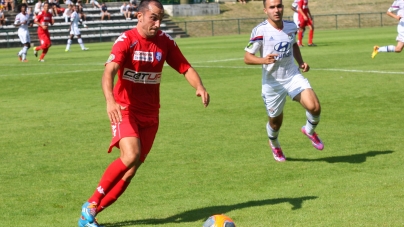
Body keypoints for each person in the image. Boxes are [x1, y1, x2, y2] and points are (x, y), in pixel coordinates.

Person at [76, 0, 210, 226]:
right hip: (125, 109)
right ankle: (90, 202)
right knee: (130, 155)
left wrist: (199, 86)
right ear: (139, 16)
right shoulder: (126, 40)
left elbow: (185, 67)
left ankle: (89, 216)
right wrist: (110, 101)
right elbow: (109, 71)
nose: (157, 24)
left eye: (161, 19)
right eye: (153, 18)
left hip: (151, 115)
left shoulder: (165, 42)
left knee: (130, 172)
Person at [244, 0, 323, 162]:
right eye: (272, 7)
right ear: (265, 10)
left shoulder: (291, 26)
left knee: (314, 107)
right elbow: (247, 57)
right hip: (273, 83)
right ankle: (275, 144)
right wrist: (263, 60)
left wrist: (300, 62)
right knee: (275, 124)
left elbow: (294, 45)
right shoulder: (260, 31)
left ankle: (309, 130)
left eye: (279, 6)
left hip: (292, 76)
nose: (276, 10)